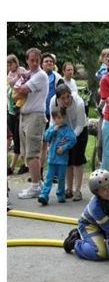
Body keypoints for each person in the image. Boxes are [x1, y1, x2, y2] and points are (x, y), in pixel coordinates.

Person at [15, 47, 53, 195]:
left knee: (33, 153)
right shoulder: (29, 74)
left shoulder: (40, 75)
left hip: (35, 115)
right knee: (26, 153)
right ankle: (37, 183)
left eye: (37, 60)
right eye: (32, 60)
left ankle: (35, 186)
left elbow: (21, 90)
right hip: (24, 115)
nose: (35, 63)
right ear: (27, 61)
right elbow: (14, 94)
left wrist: (18, 88)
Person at [37, 103, 76, 205]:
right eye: (58, 118)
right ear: (54, 118)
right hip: (52, 158)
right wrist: (52, 131)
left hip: (62, 160)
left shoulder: (67, 129)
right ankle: (44, 195)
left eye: (62, 117)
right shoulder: (52, 128)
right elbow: (46, 137)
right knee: (48, 177)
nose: (60, 120)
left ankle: (60, 194)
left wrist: (63, 148)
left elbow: (72, 140)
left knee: (61, 178)